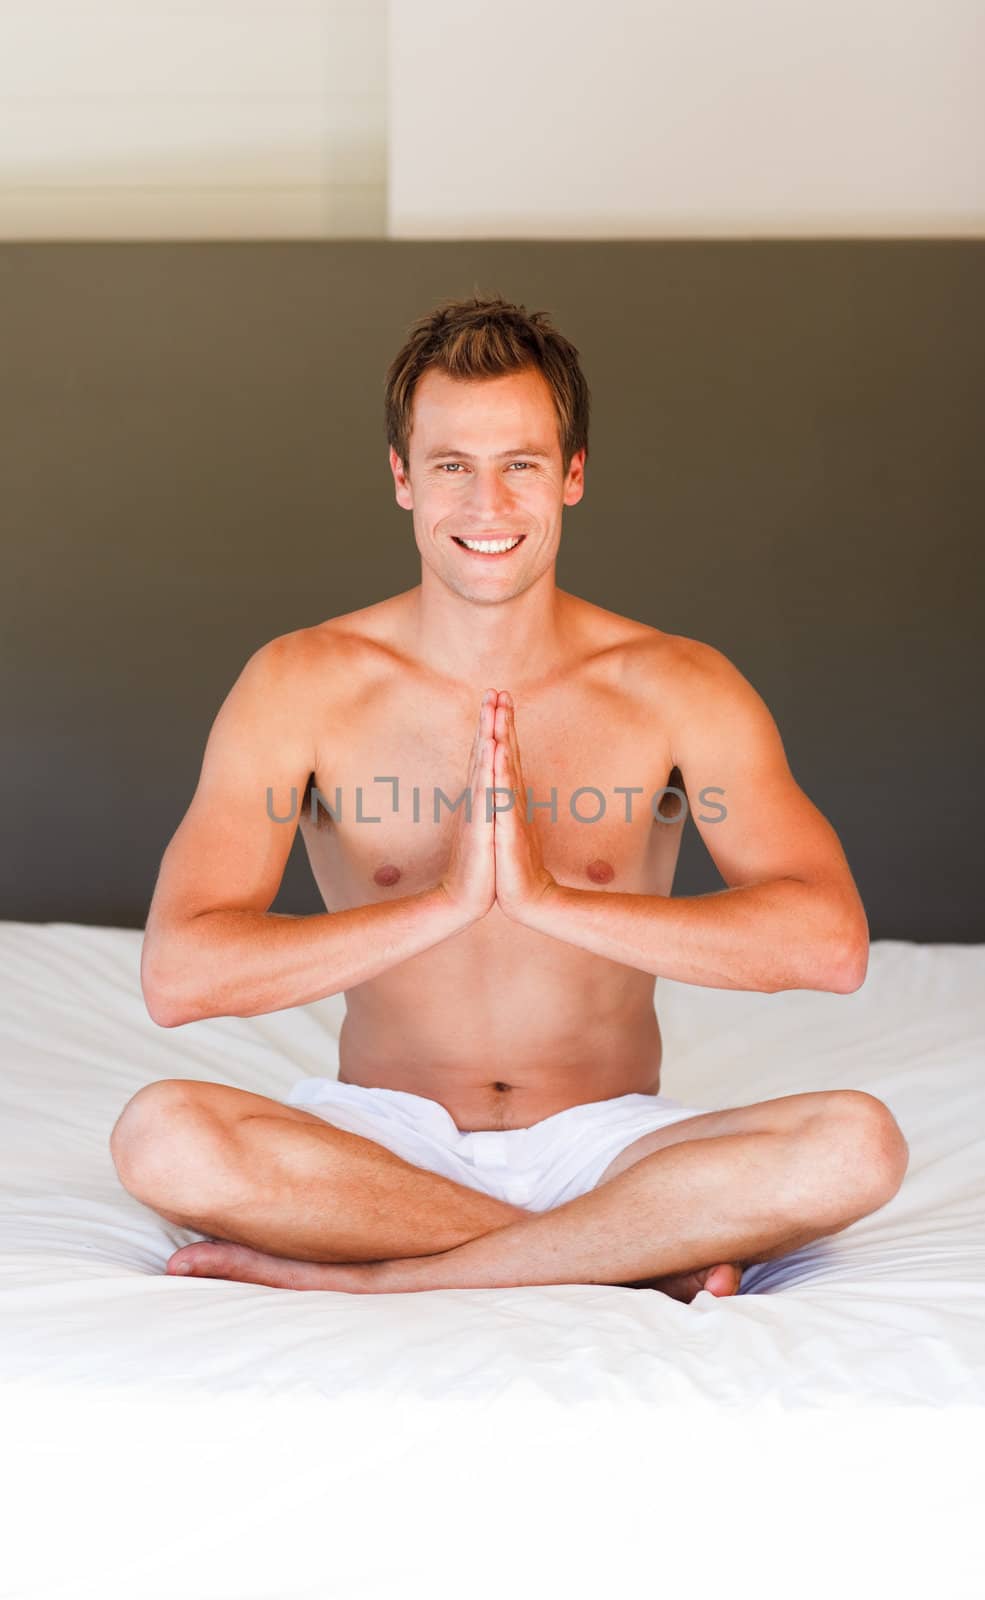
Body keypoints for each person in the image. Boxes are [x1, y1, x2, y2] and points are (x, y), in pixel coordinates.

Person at [109, 292, 908, 1301]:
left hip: (606, 1142)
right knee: (165, 1136)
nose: (486, 508)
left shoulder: (677, 684)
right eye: (452, 466)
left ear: (570, 476)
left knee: (854, 1144)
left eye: (519, 465)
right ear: (402, 478)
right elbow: (180, 974)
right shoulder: (299, 682)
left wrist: (549, 901)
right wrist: (441, 905)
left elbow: (827, 945)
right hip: (380, 1137)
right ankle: (617, 1256)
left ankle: (385, 1277)